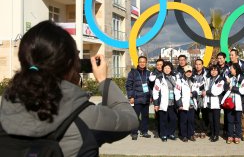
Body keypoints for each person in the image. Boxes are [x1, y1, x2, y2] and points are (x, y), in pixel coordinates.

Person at [0, 21, 139, 156]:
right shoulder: (84, 115)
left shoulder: (6, 111)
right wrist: (103, 80)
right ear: (69, 65)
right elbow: (130, 120)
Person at [126, 56, 152, 140]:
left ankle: (144, 131)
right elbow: (129, 85)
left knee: (145, 116)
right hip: (136, 98)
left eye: (144, 62)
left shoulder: (148, 73)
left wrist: (151, 96)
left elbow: (151, 86)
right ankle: (134, 132)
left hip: (146, 98)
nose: (142, 63)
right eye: (140, 62)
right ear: (138, 62)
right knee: (135, 116)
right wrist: (131, 96)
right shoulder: (133, 73)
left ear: (146, 63)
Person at [221, 63, 244, 144]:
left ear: (236, 69)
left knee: (237, 121)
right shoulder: (230, 78)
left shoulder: (242, 78)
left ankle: (237, 136)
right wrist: (228, 83)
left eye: (231, 68)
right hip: (230, 102)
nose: (230, 70)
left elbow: (243, 90)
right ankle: (230, 136)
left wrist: (233, 87)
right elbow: (225, 89)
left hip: (238, 103)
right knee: (229, 120)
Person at [229, 48, 244, 141]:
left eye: (232, 55)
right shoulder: (229, 65)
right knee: (232, 113)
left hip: (242, 90)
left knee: (242, 112)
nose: (230, 56)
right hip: (232, 93)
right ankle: (232, 132)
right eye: (230, 55)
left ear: (237, 56)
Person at [153, 61, 178, 142]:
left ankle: (170, 133)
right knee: (163, 119)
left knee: (173, 119)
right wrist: (156, 104)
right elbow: (155, 92)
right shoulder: (159, 78)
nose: (167, 69)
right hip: (163, 103)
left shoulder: (174, 78)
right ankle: (163, 134)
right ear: (163, 69)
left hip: (172, 103)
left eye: (169, 68)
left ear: (171, 69)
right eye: (165, 68)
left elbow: (178, 89)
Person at [175, 65, 197, 142]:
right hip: (183, 104)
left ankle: (190, 134)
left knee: (191, 120)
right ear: (184, 72)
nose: (188, 73)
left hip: (191, 104)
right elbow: (177, 92)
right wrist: (179, 104)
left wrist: (193, 94)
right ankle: (183, 135)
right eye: (187, 72)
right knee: (183, 120)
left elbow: (196, 90)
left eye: (190, 72)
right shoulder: (179, 80)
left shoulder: (194, 80)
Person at [204, 64, 225, 142]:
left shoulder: (221, 80)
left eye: (215, 70)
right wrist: (205, 92)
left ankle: (216, 135)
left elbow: (216, 92)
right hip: (209, 102)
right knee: (211, 120)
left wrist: (206, 92)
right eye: (212, 70)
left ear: (218, 71)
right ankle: (212, 133)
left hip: (216, 103)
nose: (213, 72)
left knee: (216, 120)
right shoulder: (208, 79)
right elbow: (205, 89)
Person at [193, 58, 209, 139]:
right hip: (195, 96)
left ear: (202, 65)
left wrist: (205, 91)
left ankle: (204, 130)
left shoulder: (206, 74)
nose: (198, 66)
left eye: (199, 64)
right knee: (195, 114)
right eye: (196, 64)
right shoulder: (192, 73)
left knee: (205, 114)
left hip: (203, 96)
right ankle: (196, 130)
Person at [149, 58, 165, 138]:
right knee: (157, 114)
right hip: (157, 96)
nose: (159, 66)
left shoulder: (166, 71)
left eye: (161, 65)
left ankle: (164, 131)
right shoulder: (153, 73)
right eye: (158, 65)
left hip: (165, 96)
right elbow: (151, 81)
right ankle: (157, 131)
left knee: (165, 114)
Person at [216, 52, 230, 138]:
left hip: (226, 92)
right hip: (217, 93)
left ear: (224, 59)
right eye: (218, 58)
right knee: (216, 112)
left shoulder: (228, 68)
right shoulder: (214, 67)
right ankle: (215, 131)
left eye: (221, 58)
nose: (219, 60)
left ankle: (226, 131)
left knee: (227, 113)